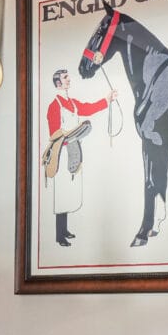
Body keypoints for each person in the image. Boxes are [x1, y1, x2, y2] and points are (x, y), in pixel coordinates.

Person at [45, 69, 117, 247]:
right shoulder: (54, 105)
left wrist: (107, 99)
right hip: (60, 153)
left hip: (74, 149)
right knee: (61, 192)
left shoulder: (73, 104)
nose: (69, 80)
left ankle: (65, 229)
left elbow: (89, 108)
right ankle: (59, 235)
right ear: (58, 83)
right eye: (65, 78)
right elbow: (53, 133)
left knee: (70, 190)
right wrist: (69, 133)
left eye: (68, 77)